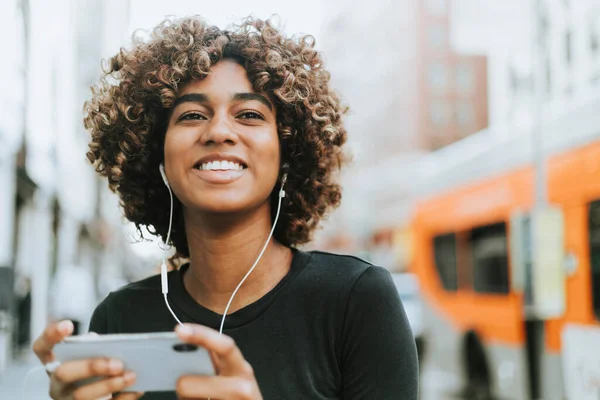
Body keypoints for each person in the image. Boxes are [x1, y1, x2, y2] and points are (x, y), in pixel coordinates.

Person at [32, 16, 419, 400]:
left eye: (249, 114)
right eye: (192, 115)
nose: (218, 132)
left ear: (287, 152)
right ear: (157, 157)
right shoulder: (118, 318)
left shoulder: (356, 300)